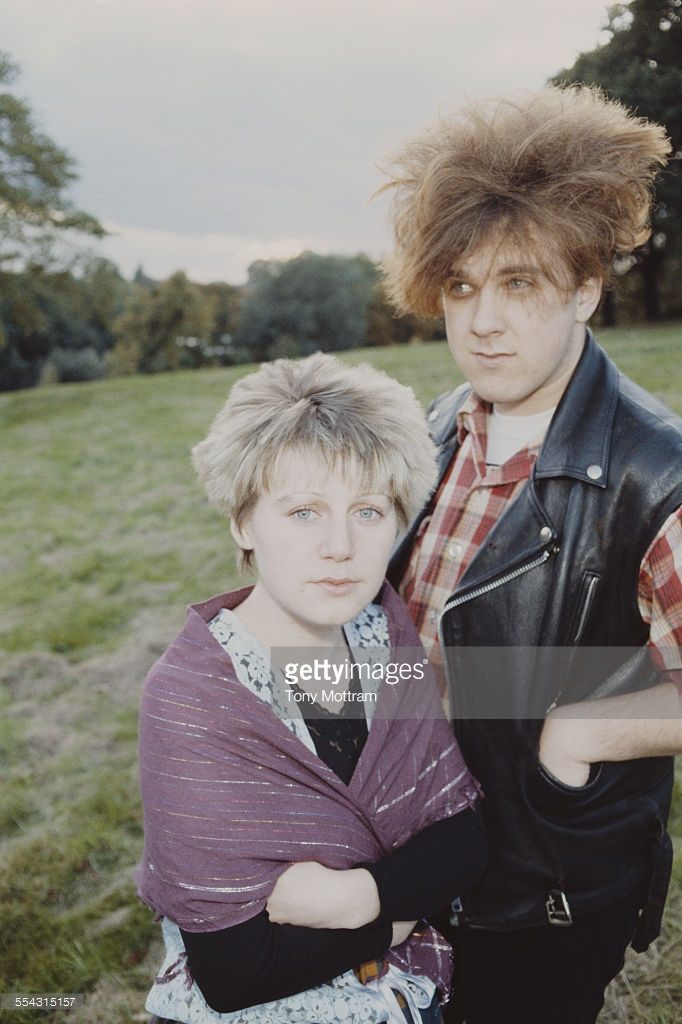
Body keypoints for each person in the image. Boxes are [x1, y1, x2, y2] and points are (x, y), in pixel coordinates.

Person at [382, 85, 682, 1024]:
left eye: (519, 283)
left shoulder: (654, 473)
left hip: (542, 892)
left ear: (586, 287)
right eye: (462, 288)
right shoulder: (436, 425)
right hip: (416, 862)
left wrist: (578, 735)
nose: (482, 322)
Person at [137, 353, 486, 1024]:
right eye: (302, 512)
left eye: (367, 511)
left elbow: (463, 842)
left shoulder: (385, 638)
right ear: (243, 522)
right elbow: (236, 970)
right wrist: (393, 917)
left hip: (403, 1000)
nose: (340, 546)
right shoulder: (193, 700)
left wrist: (358, 897)